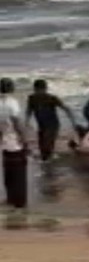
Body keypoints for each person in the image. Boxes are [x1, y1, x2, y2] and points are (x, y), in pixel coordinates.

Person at [26, 79, 78, 161]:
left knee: (47, 145)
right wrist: (26, 122)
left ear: (45, 89)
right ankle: (48, 162)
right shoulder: (32, 98)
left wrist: (73, 122)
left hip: (53, 125)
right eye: (37, 90)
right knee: (41, 146)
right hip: (41, 125)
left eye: (41, 90)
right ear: (35, 89)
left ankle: (49, 165)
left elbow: (66, 108)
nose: (39, 92)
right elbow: (29, 111)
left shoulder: (52, 98)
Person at [0, 78, 29, 210]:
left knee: (8, 173)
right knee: (19, 174)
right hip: (15, 143)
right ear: (12, 88)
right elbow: (17, 122)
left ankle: (10, 198)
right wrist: (24, 139)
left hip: (5, 143)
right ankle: (20, 203)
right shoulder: (12, 103)